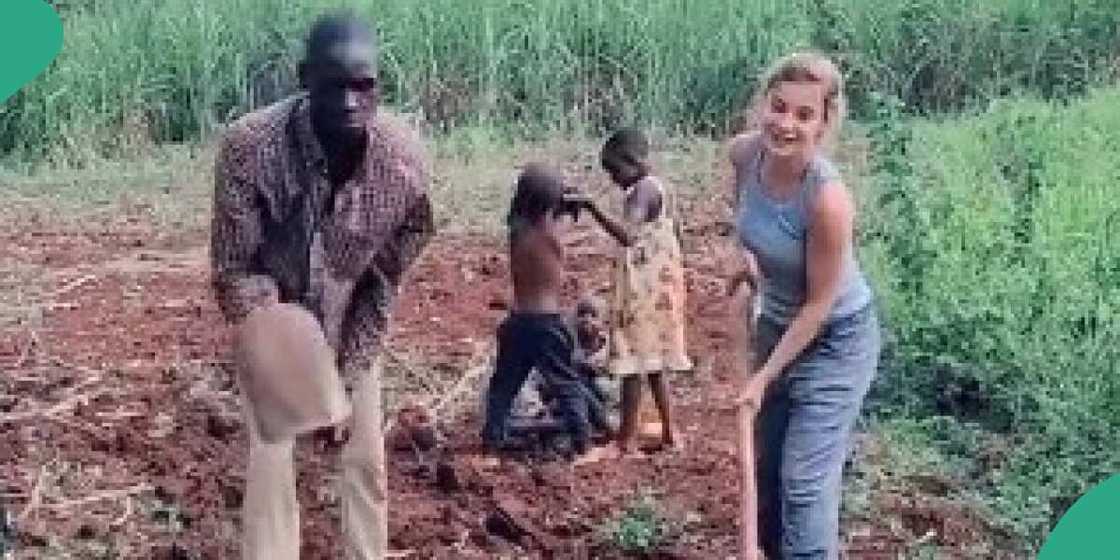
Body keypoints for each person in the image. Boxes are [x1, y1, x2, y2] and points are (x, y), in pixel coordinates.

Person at [209, 12, 434, 560]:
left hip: (351, 309)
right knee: (271, 456)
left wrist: (345, 378)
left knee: (366, 462)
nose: (352, 102)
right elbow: (234, 270)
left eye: (365, 86)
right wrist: (301, 371)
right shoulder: (250, 148)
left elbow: (382, 283)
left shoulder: (403, 167)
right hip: (276, 314)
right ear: (305, 78)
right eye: (337, 86)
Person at [727, 51, 881, 559]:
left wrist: (761, 378)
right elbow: (744, 219)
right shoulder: (744, 155)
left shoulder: (827, 200)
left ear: (823, 124)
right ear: (763, 105)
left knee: (803, 486)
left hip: (837, 339)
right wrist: (746, 259)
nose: (785, 123)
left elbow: (817, 308)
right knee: (768, 474)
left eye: (803, 114)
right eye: (778, 106)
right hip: (776, 324)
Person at [567, 128, 692, 458]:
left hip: (644, 292)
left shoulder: (643, 193)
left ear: (633, 162)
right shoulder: (658, 187)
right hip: (658, 287)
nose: (613, 179)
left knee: (633, 364)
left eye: (615, 171)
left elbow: (628, 235)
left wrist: (592, 208)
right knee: (653, 365)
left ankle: (625, 440)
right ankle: (669, 432)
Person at [480, 163, 609, 465]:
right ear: (553, 203)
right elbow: (570, 214)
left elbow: (522, 211)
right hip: (547, 323)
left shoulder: (516, 229)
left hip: (517, 321)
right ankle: (584, 446)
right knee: (568, 386)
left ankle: (490, 449)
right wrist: (582, 201)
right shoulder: (554, 232)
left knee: (504, 387)